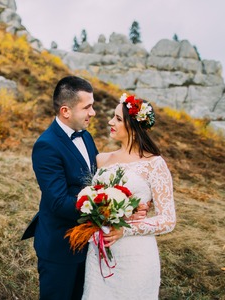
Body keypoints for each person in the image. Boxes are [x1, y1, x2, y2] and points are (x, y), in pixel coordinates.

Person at [82, 93, 176, 300]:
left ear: (133, 124)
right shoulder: (102, 159)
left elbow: (168, 220)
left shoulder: (154, 164)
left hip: (136, 255)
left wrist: (124, 229)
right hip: (98, 251)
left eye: (117, 118)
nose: (110, 122)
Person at [21, 76, 98, 300]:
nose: (92, 113)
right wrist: (103, 207)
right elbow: (57, 202)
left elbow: (96, 178)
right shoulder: (46, 145)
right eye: (87, 107)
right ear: (65, 110)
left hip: (89, 244)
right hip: (60, 247)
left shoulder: (86, 136)